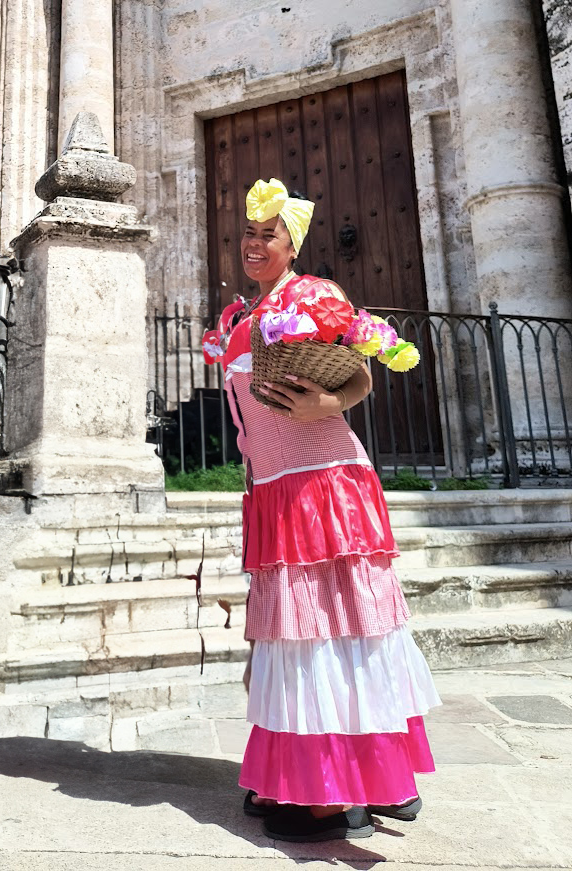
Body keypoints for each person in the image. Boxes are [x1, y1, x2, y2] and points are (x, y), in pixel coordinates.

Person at [204, 179, 440, 842]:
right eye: (248, 234)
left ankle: (335, 792)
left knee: (333, 631)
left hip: (322, 479)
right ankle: (315, 774)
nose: (254, 244)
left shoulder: (314, 296)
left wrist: (324, 405)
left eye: (268, 234)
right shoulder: (238, 316)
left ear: (290, 242)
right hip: (273, 487)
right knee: (298, 635)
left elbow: (360, 372)